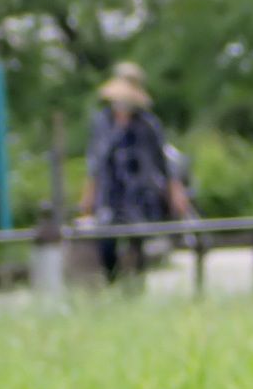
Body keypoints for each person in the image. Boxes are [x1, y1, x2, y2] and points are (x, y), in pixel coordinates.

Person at [78, 67, 190, 281]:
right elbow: (95, 163)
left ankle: (135, 283)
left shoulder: (148, 124)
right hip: (109, 193)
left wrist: (175, 192)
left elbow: (163, 162)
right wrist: (88, 197)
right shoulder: (102, 122)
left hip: (139, 194)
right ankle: (112, 282)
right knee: (106, 241)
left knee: (136, 241)